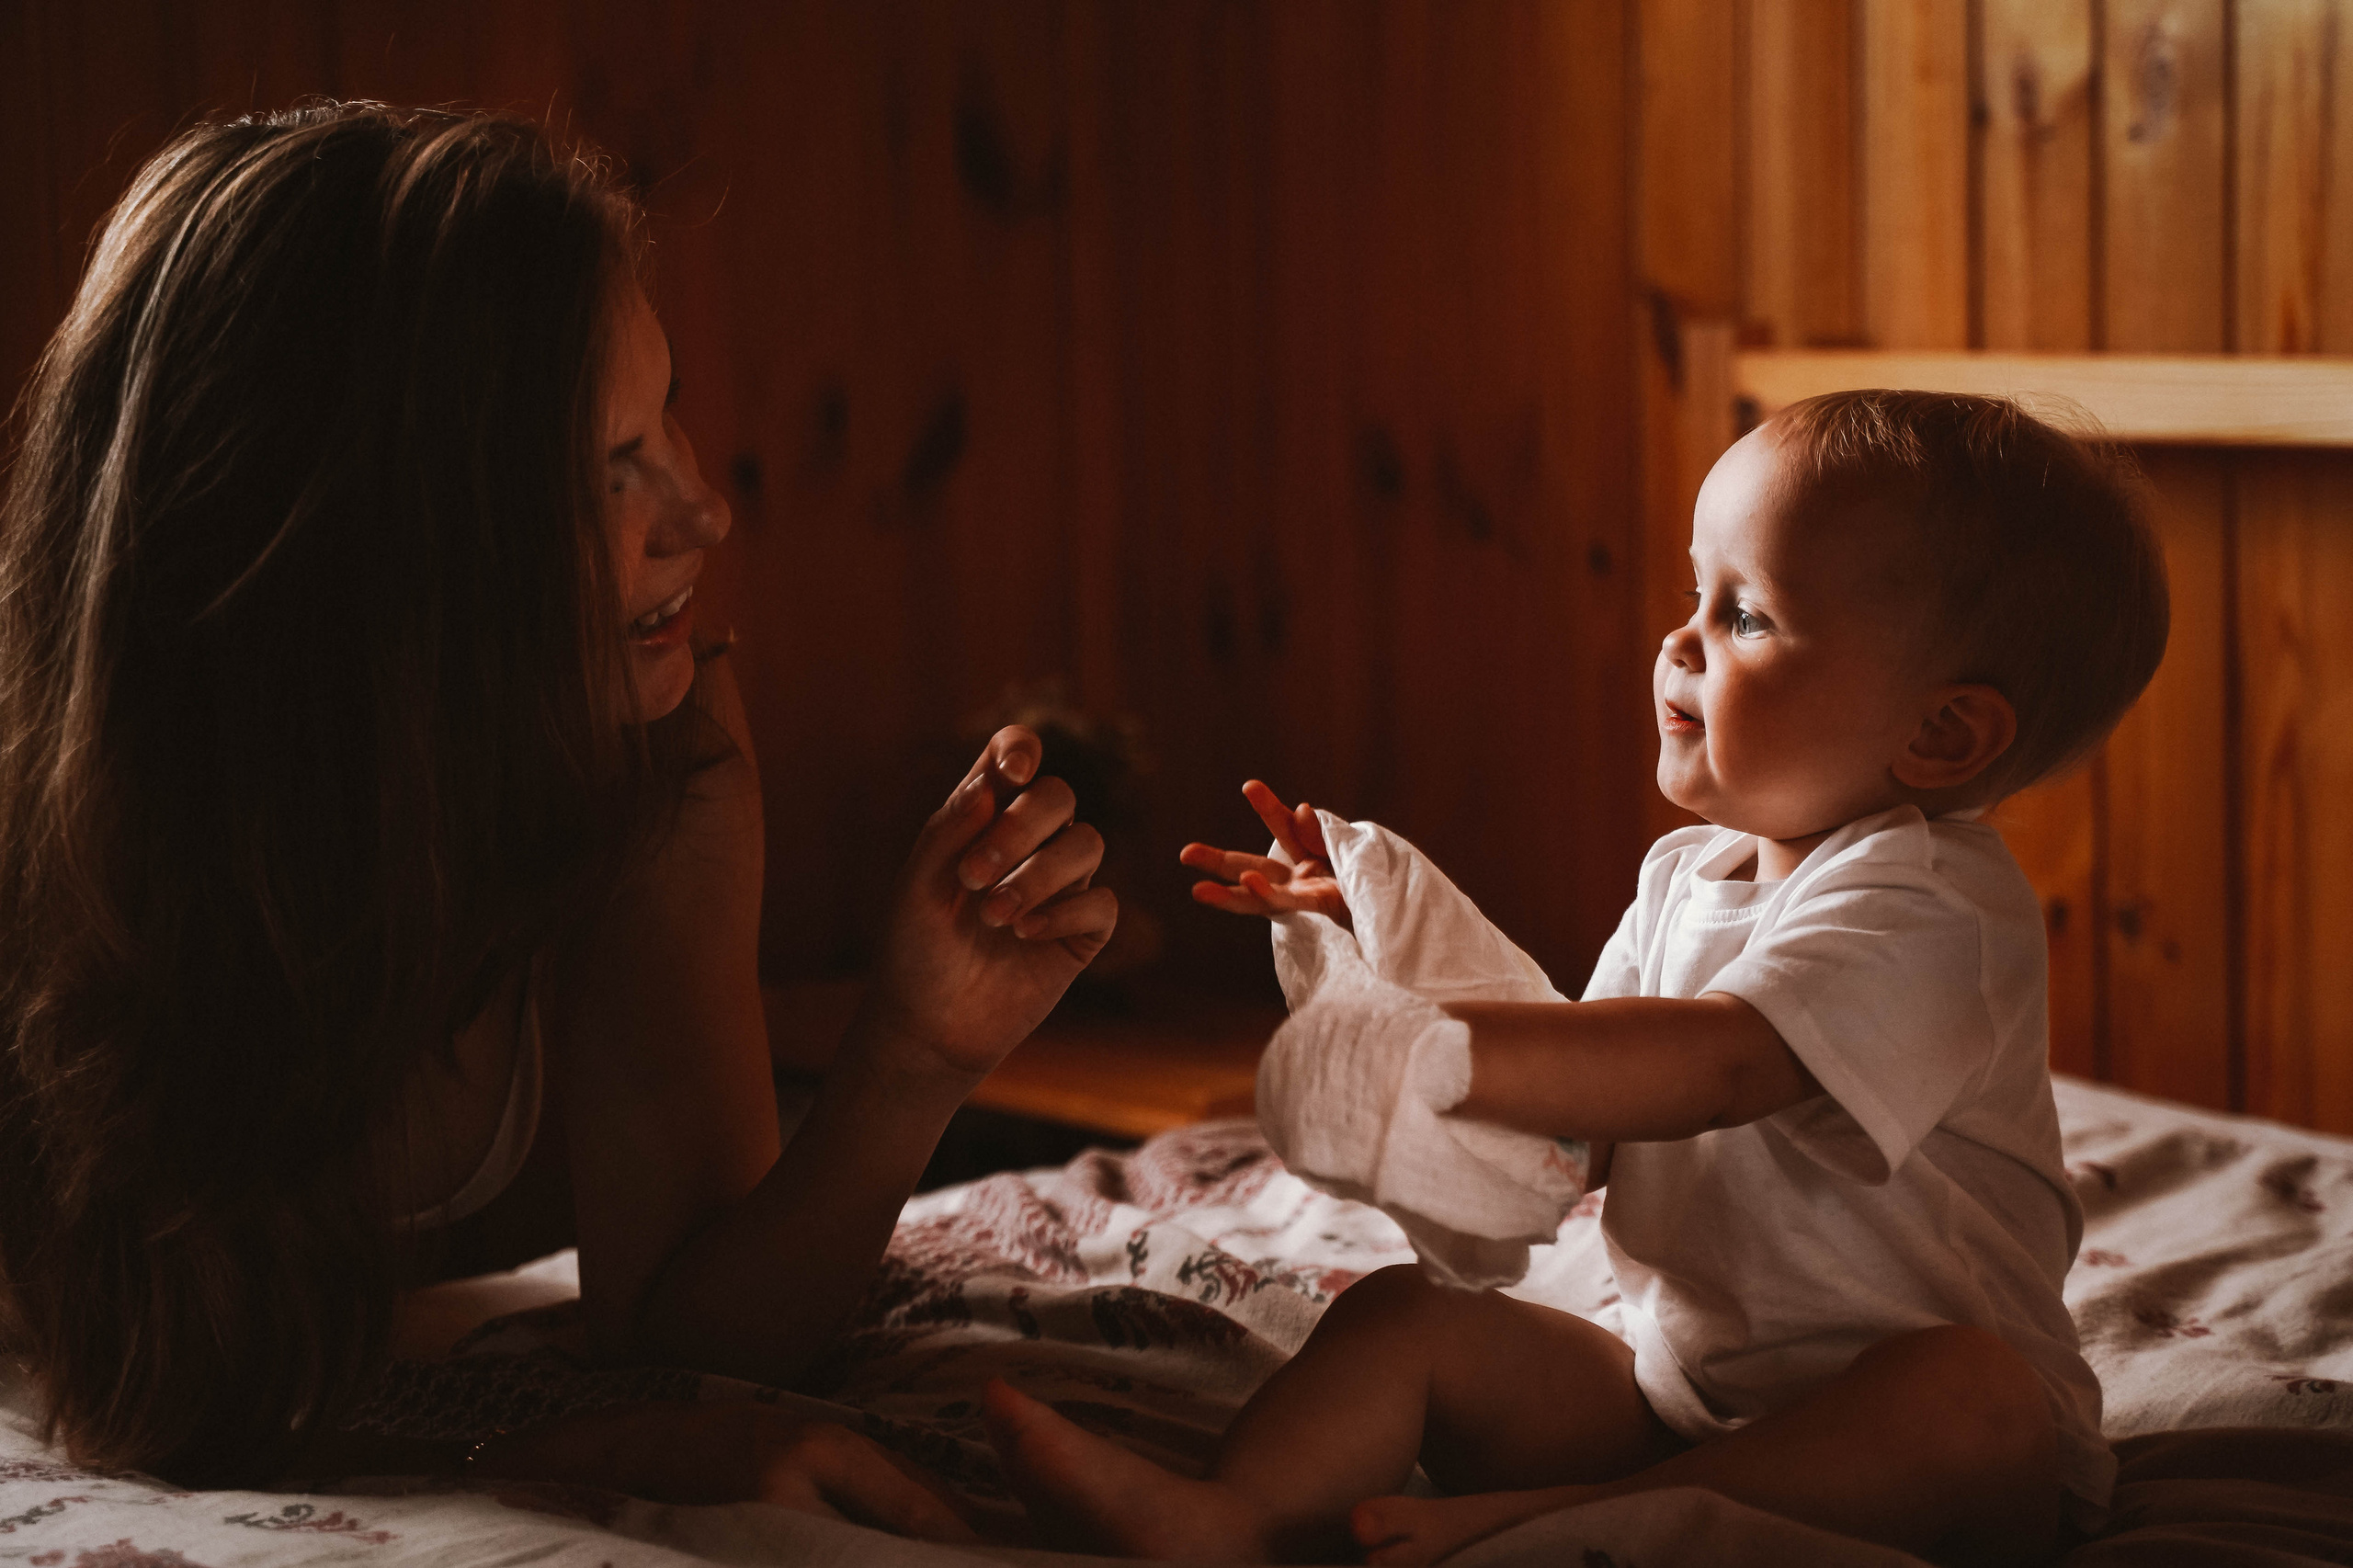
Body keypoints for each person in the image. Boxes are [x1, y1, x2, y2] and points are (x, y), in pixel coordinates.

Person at [0, 101, 1114, 1532]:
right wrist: (544, 1464)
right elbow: (157, 1410)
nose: (704, 511)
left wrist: (913, 1052)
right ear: (387, 555)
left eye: (667, 422)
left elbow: (689, 1333)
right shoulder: (85, 857)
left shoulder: (652, 761)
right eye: (608, 470)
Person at [982, 391, 2168, 1565]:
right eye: (1692, 591)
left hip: (1927, 1462)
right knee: (1408, 1316)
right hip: (1672, 1398)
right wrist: (1389, 939)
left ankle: (1539, 1528)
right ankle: (1229, 1520)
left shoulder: (1934, 906)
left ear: (1945, 734)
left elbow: (1718, 1062)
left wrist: (1433, 1046)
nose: (1681, 638)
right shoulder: (1687, 876)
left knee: (1965, 1390)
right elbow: (1587, 1107)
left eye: (1747, 613)